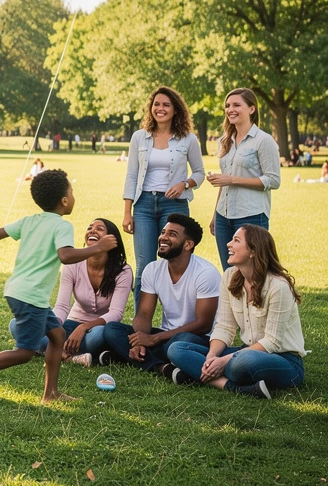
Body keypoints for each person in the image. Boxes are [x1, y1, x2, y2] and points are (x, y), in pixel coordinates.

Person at [0, 169, 117, 405]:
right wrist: (98, 247)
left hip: (20, 291)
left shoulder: (29, 221)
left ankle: (51, 393)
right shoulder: (62, 226)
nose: (73, 196)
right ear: (64, 200)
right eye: (71, 192)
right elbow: (65, 255)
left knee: (58, 336)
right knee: (24, 352)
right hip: (30, 295)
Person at [167, 226, 305, 398]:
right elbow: (225, 326)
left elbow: (272, 342)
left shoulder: (278, 286)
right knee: (177, 349)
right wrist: (211, 357)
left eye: (236, 240)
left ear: (253, 251)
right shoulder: (229, 276)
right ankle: (234, 388)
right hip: (244, 352)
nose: (228, 244)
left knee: (241, 363)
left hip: (284, 360)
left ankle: (195, 372)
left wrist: (223, 361)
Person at [100, 214, 219, 376]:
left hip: (197, 338)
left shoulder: (205, 273)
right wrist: (139, 342)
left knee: (178, 343)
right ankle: (161, 367)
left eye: (172, 234)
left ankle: (123, 357)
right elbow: (144, 314)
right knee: (112, 329)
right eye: (163, 232)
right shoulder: (153, 269)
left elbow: (203, 325)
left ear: (188, 244)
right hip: (166, 335)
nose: (163, 237)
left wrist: (154, 339)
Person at [10, 218, 132, 367]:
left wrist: (84, 327)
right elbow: (62, 306)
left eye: (100, 228)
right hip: (69, 325)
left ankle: (47, 349)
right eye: (90, 227)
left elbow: (116, 313)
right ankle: (70, 355)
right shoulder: (73, 264)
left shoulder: (123, 271)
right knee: (17, 325)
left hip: (98, 329)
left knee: (99, 335)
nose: (92, 231)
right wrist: (52, 328)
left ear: (111, 240)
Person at [122, 86, 206, 301]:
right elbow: (131, 175)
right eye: (156, 104)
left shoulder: (188, 139)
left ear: (175, 109)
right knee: (144, 266)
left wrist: (184, 184)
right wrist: (127, 212)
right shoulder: (139, 137)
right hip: (143, 206)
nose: (160, 108)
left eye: (166, 105)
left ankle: (178, 315)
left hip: (175, 206)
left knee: (176, 262)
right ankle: (141, 317)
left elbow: (199, 173)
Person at [207, 88, 281, 269]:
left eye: (236, 105)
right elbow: (224, 182)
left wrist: (233, 179)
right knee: (229, 271)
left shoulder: (263, 140)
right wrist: (215, 214)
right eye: (227, 105)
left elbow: (273, 180)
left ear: (252, 109)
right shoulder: (224, 141)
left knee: (252, 271)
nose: (230, 109)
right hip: (223, 216)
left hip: (252, 215)